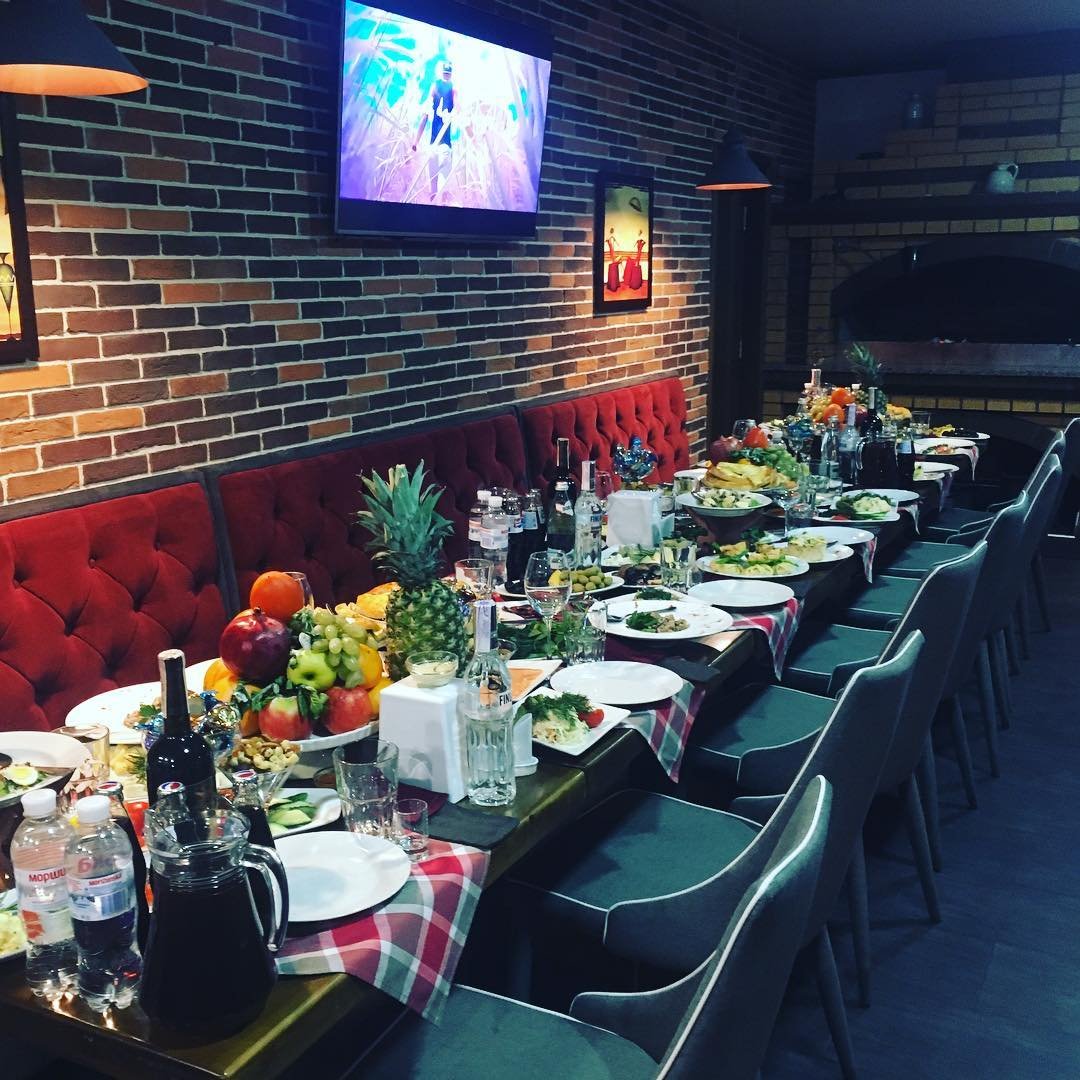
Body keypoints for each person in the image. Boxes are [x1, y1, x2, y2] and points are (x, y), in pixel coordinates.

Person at [412, 60, 457, 202]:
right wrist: (415, 142)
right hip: (440, 145)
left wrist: (415, 142)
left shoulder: (446, 88)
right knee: (439, 190)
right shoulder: (450, 88)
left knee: (437, 189)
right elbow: (425, 117)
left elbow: (424, 118)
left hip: (438, 145)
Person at [605, 227, 621, 292]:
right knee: (614, 255)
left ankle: (615, 260)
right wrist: (609, 240)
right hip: (612, 253)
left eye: (612, 230)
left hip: (613, 254)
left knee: (616, 256)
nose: (612, 231)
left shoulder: (612, 237)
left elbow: (616, 242)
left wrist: (616, 242)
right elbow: (607, 240)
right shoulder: (609, 238)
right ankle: (615, 260)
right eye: (611, 230)